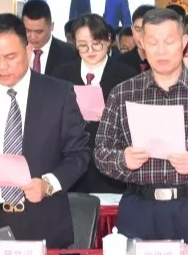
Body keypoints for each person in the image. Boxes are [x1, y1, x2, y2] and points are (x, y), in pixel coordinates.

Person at [0, 14, 90, 247]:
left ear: (28, 50)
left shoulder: (59, 94)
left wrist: (48, 184)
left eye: (10, 57)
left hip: (45, 224)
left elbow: (79, 153)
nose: (2, 66)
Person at [94, 9, 188, 243]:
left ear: (183, 42)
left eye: (169, 42)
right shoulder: (123, 93)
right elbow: (101, 153)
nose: (161, 51)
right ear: (142, 44)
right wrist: (122, 160)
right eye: (153, 43)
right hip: (138, 209)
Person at [51, 14, 137, 193]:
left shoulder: (127, 75)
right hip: (71, 164)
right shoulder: (61, 74)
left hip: (111, 166)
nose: (90, 50)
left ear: (108, 39)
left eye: (96, 43)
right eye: (83, 45)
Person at [21, 0, 79, 75]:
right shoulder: (16, 51)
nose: (33, 37)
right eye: (28, 31)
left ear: (51, 26)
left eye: (39, 32)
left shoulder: (70, 53)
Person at [115, 4, 155, 73]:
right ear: (132, 29)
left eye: (148, 30)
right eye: (138, 29)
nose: (142, 35)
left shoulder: (169, 60)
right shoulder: (119, 63)